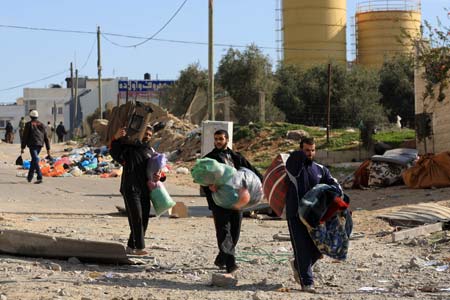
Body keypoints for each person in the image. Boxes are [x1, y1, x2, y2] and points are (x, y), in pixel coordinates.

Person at [285, 137, 342, 292]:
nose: (310, 153)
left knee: (319, 248)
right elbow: (294, 160)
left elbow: (334, 185)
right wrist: (300, 154)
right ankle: (307, 282)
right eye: (306, 150)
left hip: (314, 216)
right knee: (302, 248)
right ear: (300, 150)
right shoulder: (294, 167)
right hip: (296, 215)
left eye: (312, 150)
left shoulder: (320, 169)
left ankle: (298, 265)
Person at [202, 129, 262, 274]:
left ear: (227, 140)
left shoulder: (236, 157)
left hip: (237, 202)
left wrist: (264, 184)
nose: (217, 141)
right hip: (219, 203)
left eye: (220, 139)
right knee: (224, 232)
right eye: (216, 139)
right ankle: (230, 263)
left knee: (235, 233)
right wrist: (210, 186)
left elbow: (252, 171)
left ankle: (221, 258)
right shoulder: (210, 159)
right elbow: (201, 178)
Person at [109, 125, 164, 255]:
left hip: (145, 189)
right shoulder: (128, 148)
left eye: (150, 135)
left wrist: (159, 176)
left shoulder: (151, 151)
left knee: (144, 218)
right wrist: (116, 138)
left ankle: (130, 246)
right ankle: (139, 247)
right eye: (145, 133)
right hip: (130, 187)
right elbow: (114, 152)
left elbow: (158, 170)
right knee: (137, 217)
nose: (147, 136)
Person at [20, 110, 51, 184]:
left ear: (30, 116)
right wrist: (48, 148)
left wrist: (22, 147)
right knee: (34, 160)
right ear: (37, 116)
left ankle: (39, 177)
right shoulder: (42, 125)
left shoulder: (28, 124)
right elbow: (46, 137)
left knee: (35, 159)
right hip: (40, 144)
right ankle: (29, 177)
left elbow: (25, 137)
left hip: (32, 145)